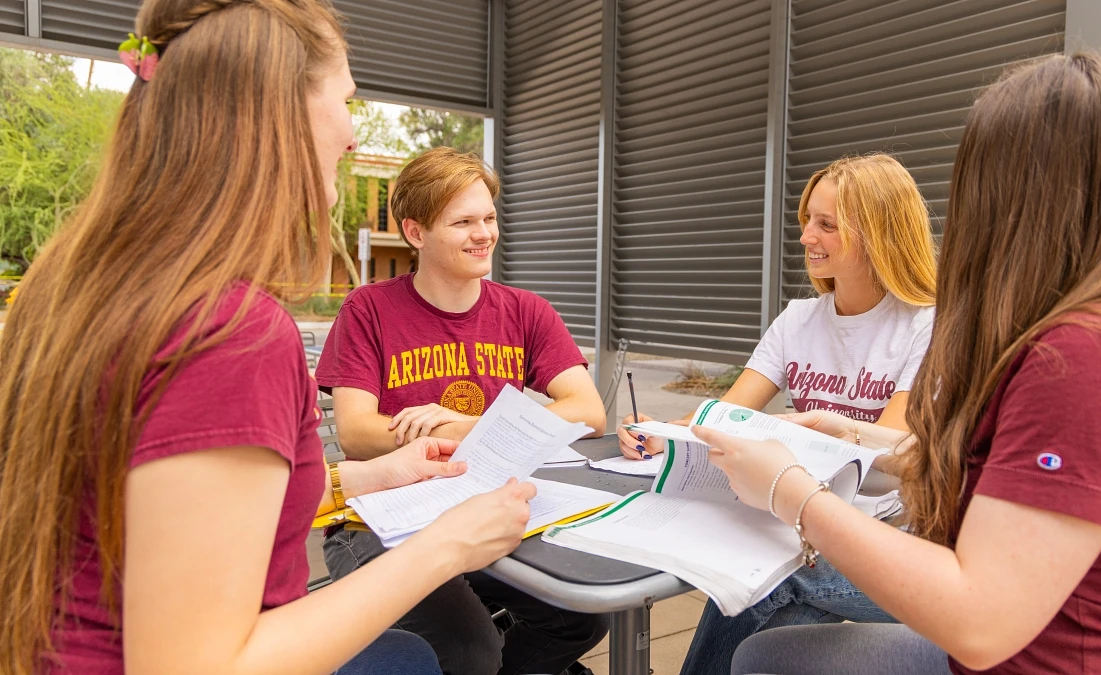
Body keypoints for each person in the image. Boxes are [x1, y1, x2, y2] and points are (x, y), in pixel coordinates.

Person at [0, 1, 538, 674]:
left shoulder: (76, 281)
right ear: (277, 117)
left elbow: (187, 505)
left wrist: (365, 476)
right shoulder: (228, 333)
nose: (349, 134)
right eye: (345, 99)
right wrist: (447, 546)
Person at [698, 53, 1101, 674]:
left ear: (1013, 195)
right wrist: (852, 432)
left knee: (767, 638)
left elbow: (979, 620)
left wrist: (788, 491)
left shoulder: (1090, 358)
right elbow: (1012, 476)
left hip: (1052, 657)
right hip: (1035, 635)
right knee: (768, 656)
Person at [618, 154, 938, 675]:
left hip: (895, 543)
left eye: (826, 224)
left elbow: (889, 448)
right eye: (807, 219)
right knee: (772, 617)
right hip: (799, 519)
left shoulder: (924, 324)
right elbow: (727, 414)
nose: (807, 236)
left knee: (767, 579)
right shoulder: (798, 319)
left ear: (880, 234)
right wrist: (660, 432)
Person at [315, 148, 608, 675]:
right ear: (415, 232)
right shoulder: (369, 310)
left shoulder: (525, 311)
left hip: (484, 511)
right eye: (464, 222)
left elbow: (587, 411)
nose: (484, 233)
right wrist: (499, 430)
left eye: (489, 218)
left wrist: (464, 425)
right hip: (378, 525)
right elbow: (358, 434)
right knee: (472, 650)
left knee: (582, 618)